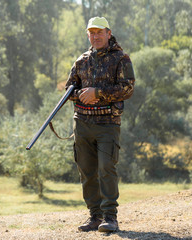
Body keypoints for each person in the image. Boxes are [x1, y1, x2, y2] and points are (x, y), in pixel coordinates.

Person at [65, 16, 135, 232]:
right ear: (88, 35)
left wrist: (98, 93)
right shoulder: (81, 61)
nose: (95, 36)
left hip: (108, 124)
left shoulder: (121, 59)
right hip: (83, 123)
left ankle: (110, 218)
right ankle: (95, 217)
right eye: (92, 33)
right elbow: (69, 91)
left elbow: (128, 89)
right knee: (86, 170)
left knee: (106, 167)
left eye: (99, 32)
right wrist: (81, 95)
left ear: (108, 33)